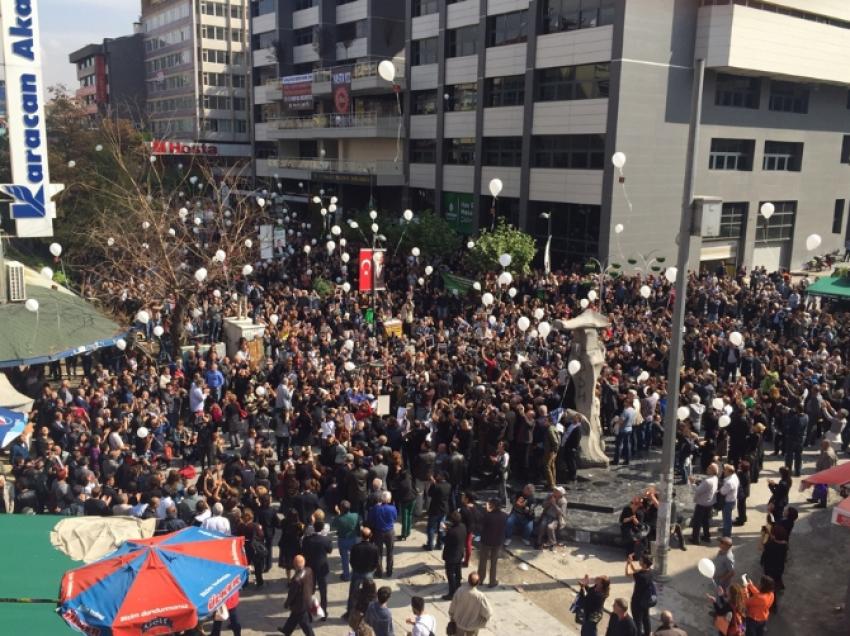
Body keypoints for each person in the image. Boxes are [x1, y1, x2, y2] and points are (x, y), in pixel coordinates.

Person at [345, 527, 379, 620]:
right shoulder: (374, 548)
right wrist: (372, 570)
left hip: (357, 572)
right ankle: (368, 614)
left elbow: (351, 561)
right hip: (368, 573)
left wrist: (355, 568)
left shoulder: (355, 547)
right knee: (370, 595)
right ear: (370, 536)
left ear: (361, 536)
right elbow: (376, 562)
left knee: (352, 594)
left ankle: (349, 613)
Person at [301, 520, 332, 619]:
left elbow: (303, 551)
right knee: (323, 592)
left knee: (309, 591)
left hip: (310, 568)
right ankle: (324, 613)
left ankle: (310, 614)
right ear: (322, 528)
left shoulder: (307, 539)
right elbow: (330, 550)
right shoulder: (325, 539)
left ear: (313, 527)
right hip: (322, 568)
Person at [278, 555, 315, 636]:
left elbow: (292, 594)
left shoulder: (296, 580)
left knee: (304, 623)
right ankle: (286, 630)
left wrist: (287, 603)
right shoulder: (309, 570)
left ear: (294, 565)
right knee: (293, 618)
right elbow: (312, 584)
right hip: (307, 599)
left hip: (299, 605)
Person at [448, 572, 492, 636]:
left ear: (468, 580)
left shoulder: (460, 591)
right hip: (473, 627)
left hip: (459, 625)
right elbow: (488, 613)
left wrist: (452, 616)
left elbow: (452, 607)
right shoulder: (480, 596)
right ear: (478, 582)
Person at [477, 497, 507, 588]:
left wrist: (487, 511)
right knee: (494, 562)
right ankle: (492, 581)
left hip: (486, 541)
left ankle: (480, 579)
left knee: (483, 561)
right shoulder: (504, 515)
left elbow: (481, 524)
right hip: (497, 541)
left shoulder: (487, 515)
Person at [367, 491, 397, 577]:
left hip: (378, 532)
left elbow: (370, 520)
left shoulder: (375, 508)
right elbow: (394, 518)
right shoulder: (393, 508)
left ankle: (379, 572)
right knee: (390, 552)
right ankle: (389, 571)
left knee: (378, 553)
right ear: (389, 499)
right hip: (390, 532)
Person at [625, 554, 654, 636]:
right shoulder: (650, 572)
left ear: (644, 564)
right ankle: (647, 634)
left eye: (641, 560)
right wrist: (631, 563)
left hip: (637, 602)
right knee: (646, 618)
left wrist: (627, 563)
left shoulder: (640, 576)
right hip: (646, 600)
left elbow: (627, 574)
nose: (639, 561)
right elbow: (635, 570)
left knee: (637, 621)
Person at [760, 525, 789, 607]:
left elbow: (760, 547)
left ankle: (773, 605)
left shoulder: (770, 545)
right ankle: (780, 586)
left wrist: (763, 536)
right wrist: (770, 533)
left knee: (770, 587)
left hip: (770, 568)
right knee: (777, 577)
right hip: (779, 567)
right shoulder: (784, 544)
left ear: (774, 536)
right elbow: (775, 539)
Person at [690, 463, 719, 544]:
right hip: (709, 503)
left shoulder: (707, 481)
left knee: (697, 522)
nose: (707, 468)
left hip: (702, 504)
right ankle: (706, 536)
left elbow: (697, 491)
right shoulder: (715, 478)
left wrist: (692, 483)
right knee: (706, 521)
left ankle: (695, 539)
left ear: (712, 471)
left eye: (709, 468)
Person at [332, 500, 360, 581]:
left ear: (341, 508)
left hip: (343, 540)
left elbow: (333, 526)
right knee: (355, 557)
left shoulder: (338, 518)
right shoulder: (355, 515)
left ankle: (346, 576)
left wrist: (338, 513)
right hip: (353, 539)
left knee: (344, 559)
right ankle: (356, 573)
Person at [442, 510, 467, 600]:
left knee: (450, 574)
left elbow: (445, 540)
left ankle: (452, 593)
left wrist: (444, 531)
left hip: (451, 557)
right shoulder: (463, 527)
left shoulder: (451, 532)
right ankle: (458, 586)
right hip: (459, 554)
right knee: (457, 572)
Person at [423, 472, 451, 551]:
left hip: (435, 510)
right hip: (444, 510)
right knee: (441, 528)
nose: (437, 476)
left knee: (431, 528)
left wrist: (433, 484)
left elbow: (429, 493)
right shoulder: (448, 485)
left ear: (442, 477)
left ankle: (430, 545)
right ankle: (440, 544)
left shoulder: (436, 486)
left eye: (439, 475)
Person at [718, 464, 739, 538]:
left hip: (728, 502)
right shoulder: (734, 476)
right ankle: (725, 529)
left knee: (727, 519)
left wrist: (719, 489)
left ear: (729, 472)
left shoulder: (729, 482)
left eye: (725, 470)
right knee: (727, 518)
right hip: (732, 500)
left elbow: (722, 492)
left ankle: (726, 535)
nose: (723, 471)